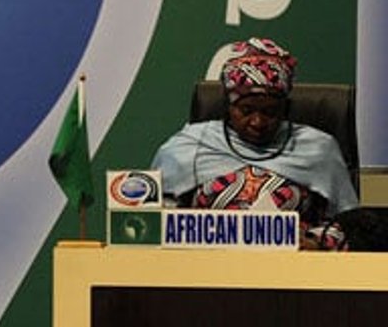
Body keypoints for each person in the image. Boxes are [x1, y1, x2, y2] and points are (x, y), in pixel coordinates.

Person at [151, 38, 359, 250]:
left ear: (286, 109)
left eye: (270, 112)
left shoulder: (317, 149)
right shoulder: (190, 146)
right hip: (203, 267)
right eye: (246, 110)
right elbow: (156, 218)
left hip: (291, 270)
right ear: (228, 107)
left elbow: (348, 225)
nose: (257, 122)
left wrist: (315, 242)